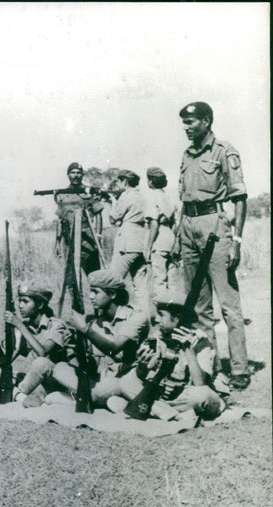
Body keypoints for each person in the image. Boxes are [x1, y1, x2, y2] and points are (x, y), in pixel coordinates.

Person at [174, 101, 251, 390]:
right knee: (199, 305)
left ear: (206, 121)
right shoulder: (186, 154)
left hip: (215, 227)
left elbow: (239, 197)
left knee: (229, 305)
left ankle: (240, 369)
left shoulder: (224, 151)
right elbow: (184, 195)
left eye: (191, 122)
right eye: (184, 122)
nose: (186, 127)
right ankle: (210, 366)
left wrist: (237, 241)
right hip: (189, 227)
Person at [107, 290, 226, 421]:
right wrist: (142, 366)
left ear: (177, 318)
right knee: (126, 382)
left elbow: (200, 383)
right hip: (159, 395)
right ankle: (173, 415)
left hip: (184, 396)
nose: (157, 319)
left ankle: (149, 409)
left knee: (204, 395)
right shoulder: (157, 337)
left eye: (161, 315)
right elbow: (143, 376)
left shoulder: (200, 340)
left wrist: (188, 349)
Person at [55, 269, 149, 407]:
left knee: (96, 390)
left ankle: (88, 397)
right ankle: (96, 398)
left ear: (112, 294)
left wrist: (85, 330)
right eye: (90, 291)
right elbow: (85, 363)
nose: (91, 296)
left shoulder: (135, 317)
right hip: (100, 379)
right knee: (59, 368)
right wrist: (71, 343)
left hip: (124, 379)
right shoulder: (94, 322)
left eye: (96, 292)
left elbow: (114, 348)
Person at [3, 282, 75, 408]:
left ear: (40, 305)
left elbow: (43, 353)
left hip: (52, 380)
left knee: (41, 362)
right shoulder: (25, 326)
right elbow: (11, 357)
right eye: (20, 301)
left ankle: (17, 394)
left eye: (25, 301)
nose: (20, 306)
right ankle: (18, 394)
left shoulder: (56, 325)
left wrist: (19, 325)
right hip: (33, 380)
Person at [108, 169, 150, 313]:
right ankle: (145, 318)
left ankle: (116, 315)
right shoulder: (142, 197)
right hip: (140, 243)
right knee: (141, 286)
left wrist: (113, 202)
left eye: (119, 182)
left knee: (112, 280)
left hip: (126, 244)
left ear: (124, 181)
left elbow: (113, 218)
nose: (118, 184)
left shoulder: (126, 197)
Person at [54, 162, 105, 275]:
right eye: (73, 173)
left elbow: (98, 214)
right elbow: (59, 220)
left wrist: (98, 236)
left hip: (87, 241)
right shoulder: (62, 195)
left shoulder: (89, 193)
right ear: (68, 175)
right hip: (69, 241)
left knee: (94, 275)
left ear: (82, 175)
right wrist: (57, 243)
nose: (76, 175)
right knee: (70, 277)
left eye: (78, 173)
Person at [144, 167, 179, 297]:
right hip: (170, 238)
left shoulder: (152, 197)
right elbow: (175, 223)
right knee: (173, 280)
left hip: (159, 239)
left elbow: (154, 224)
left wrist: (148, 247)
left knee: (159, 280)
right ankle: (175, 311)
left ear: (151, 182)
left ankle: (164, 313)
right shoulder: (168, 198)